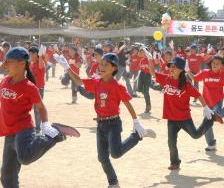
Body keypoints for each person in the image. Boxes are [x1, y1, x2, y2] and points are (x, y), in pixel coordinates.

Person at [54, 52, 156, 187]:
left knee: (116, 153)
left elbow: (127, 103)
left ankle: (137, 136)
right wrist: (67, 68)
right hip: (100, 124)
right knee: (102, 158)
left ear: (114, 68)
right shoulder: (96, 82)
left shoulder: (118, 86)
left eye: (105, 65)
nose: (101, 67)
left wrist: (136, 122)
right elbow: (79, 81)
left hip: (113, 124)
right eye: (100, 64)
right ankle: (113, 183)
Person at [0, 47, 80, 188]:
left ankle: (54, 134)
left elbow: (41, 107)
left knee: (25, 157)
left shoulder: (29, 87)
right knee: (7, 177)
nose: (5, 65)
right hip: (9, 132)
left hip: (23, 129)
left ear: (22, 64)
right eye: (5, 62)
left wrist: (45, 125)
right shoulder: (5, 81)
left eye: (9, 62)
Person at [144, 48, 222, 170]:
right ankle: (175, 162)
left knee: (196, 135)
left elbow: (199, 95)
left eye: (174, 67)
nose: (171, 69)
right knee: (171, 142)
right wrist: (149, 59)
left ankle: (211, 119)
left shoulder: (186, 85)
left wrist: (206, 107)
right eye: (170, 67)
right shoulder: (166, 79)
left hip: (184, 118)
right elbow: (153, 72)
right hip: (171, 119)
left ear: (181, 70)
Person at [187, 55, 224, 151]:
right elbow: (195, 78)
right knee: (207, 122)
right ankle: (211, 144)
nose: (215, 65)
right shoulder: (205, 73)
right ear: (211, 63)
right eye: (213, 63)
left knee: (216, 115)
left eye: (217, 64)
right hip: (206, 102)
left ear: (221, 65)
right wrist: (187, 70)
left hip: (217, 101)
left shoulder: (222, 75)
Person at [29, 46, 46, 133]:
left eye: (31, 54)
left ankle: (38, 128)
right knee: (27, 108)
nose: (30, 55)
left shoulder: (40, 63)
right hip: (30, 89)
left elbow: (41, 64)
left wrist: (40, 55)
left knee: (37, 110)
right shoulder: (31, 64)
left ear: (36, 54)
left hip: (38, 90)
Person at [137, 47, 152, 113]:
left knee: (146, 92)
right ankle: (146, 93)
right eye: (140, 52)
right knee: (139, 89)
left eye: (142, 52)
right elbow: (140, 68)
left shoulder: (150, 59)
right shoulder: (142, 60)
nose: (140, 53)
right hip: (142, 74)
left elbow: (151, 67)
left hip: (148, 75)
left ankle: (148, 106)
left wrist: (145, 50)